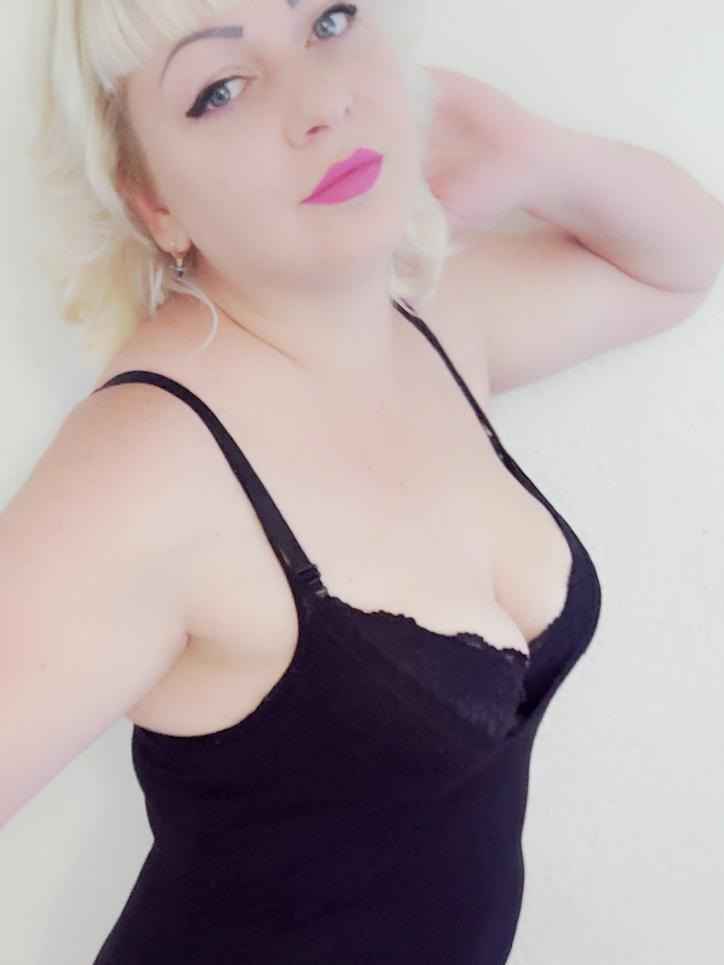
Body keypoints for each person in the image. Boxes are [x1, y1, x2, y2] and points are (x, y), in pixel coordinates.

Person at [5, 2, 606, 962]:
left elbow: (681, 259)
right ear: (151, 200)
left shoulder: (439, 322)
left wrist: (536, 156)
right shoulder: (144, 465)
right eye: (221, 89)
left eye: (327, 21)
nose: (320, 103)